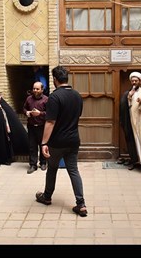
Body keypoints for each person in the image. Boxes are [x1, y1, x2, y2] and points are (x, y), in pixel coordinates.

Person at [35, 65, 87, 217]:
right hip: (73, 140)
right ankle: (81, 204)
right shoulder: (77, 95)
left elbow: (50, 122)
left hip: (57, 142)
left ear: (55, 80)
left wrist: (44, 143)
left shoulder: (55, 97)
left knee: (52, 169)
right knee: (73, 170)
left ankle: (47, 196)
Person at [120, 71, 141, 172]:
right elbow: (125, 107)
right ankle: (136, 161)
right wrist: (129, 97)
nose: (134, 82)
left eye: (136, 80)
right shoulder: (129, 92)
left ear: (140, 81)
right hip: (132, 122)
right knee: (134, 142)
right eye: (133, 81)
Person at [0, 90, 29, 165]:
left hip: (4, 129)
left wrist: (1, 109)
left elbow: (9, 114)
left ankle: (5, 159)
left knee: (5, 144)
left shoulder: (3, 104)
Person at [23, 81, 48, 174]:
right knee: (32, 146)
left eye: (37, 89)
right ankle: (33, 165)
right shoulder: (29, 99)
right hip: (31, 126)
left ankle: (43, 163)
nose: (35, 90)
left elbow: (49, 113)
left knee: (43, 145)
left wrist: (40, 113)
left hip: (42, 126)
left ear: (42, 89)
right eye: (34, 88)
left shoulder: (46, 100)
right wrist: (27, 112)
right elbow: (24, 108)